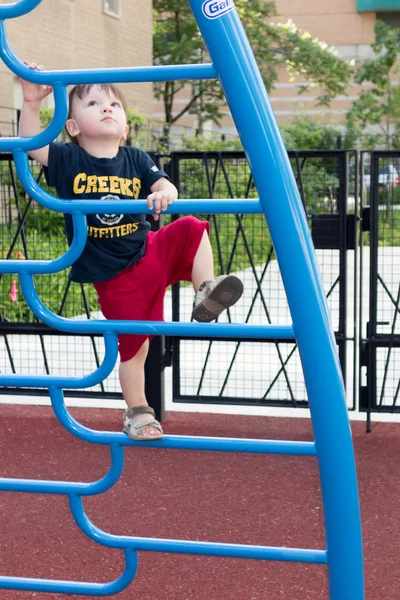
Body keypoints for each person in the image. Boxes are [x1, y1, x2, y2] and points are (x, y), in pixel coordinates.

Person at [18, 62, 244, 441]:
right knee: (135, 348)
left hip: (148, 250)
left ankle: (205, 289)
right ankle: (138, 412)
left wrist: (163, 194)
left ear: (124, 127)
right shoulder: (69, 159)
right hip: (114, 274)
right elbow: (32, 145)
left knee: (190, 226)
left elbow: (164, 184)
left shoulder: (136, 158)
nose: (106, 108)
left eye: (114, 106)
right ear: (72, 127)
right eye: (92, 104)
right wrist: (30, 102)